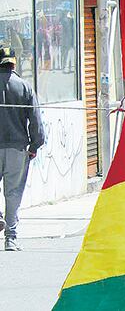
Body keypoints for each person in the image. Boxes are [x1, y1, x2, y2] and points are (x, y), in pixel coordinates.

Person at [0, 47, 45, 251]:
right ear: (14, 63)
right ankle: (10, 238)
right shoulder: (24, 87)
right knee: (13, 193)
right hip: (17, 149)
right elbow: (35, 120)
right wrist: (35, 145)